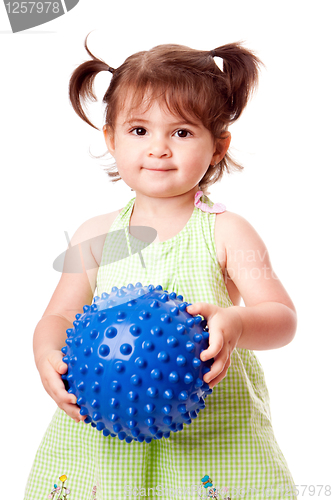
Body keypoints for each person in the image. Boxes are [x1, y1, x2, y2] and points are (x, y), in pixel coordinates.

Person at [24, 35, 298, 500]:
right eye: (139, 131)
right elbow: (58, 316)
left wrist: (235, 322)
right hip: (109, 423)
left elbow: (282, 319)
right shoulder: (96, 236)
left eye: (182, 132)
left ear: (217, 146)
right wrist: (47, 352)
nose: (159, 149)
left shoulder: (227, 232)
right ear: (110, 138)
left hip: (209, 433)